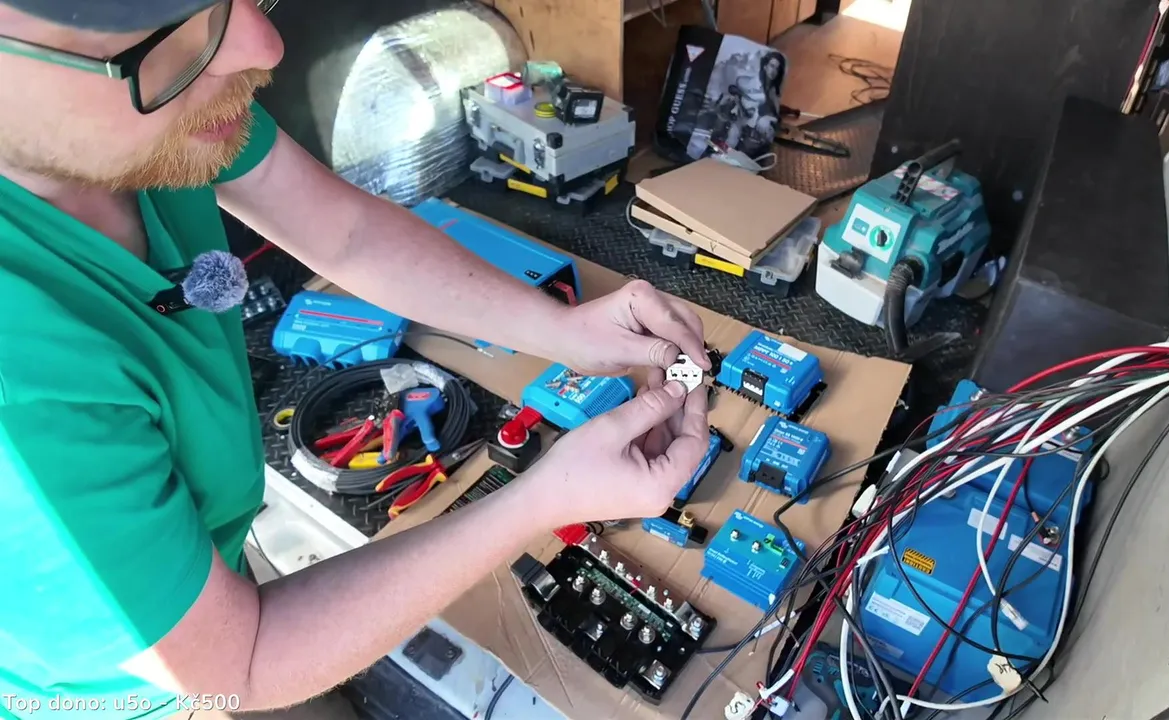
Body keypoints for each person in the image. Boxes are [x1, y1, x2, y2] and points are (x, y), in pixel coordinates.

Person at [0, 1, 712, 718]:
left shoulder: (157, 109)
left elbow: (344, 232)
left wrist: (564, 330)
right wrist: (543, 498)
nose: (263, 47)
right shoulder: (19, 392)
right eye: (166, 34)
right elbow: (242, 660)